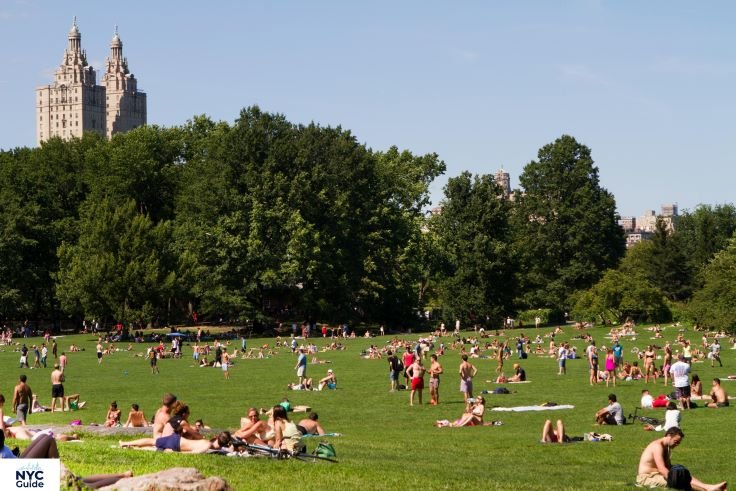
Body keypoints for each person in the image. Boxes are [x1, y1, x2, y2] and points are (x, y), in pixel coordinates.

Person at [636, 427, 727, 490]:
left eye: (678, 443)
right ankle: (708, 489)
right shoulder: (657, 446)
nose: (677, 445)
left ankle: (707, 487)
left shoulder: (666, 448)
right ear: (668, 436)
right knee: (681, 483)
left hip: (657, 475)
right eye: (676, 442)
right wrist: (675, 480)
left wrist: (681, 476)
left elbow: (668, 467)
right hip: (647, 478)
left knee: (683, 476)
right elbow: (662, 468)